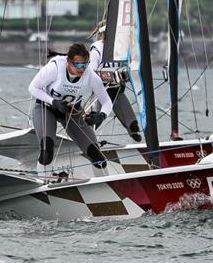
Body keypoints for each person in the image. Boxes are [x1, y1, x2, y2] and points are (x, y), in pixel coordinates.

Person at [28, 43, 114, 176]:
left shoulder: (91, 76)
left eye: (86, 64)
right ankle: (43, 183)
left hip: (72, 111)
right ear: (68, 62)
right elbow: (33, 88)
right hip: (46, 107)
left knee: (96, 155)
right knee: (47, 150)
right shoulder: (55, 68)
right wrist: (53, 102)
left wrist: (101, 115)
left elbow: (107, 101)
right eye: (78, 65)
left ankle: (107, 187)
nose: (82, 69)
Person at [88, 21, 142, 142]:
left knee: (133, 124)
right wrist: (107, 75)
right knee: (94, 119)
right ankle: (85, 138)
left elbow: (130, 67)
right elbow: (92, 70)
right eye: (106, 34)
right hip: (100, 91)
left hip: (117, 90)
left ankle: (134, 131)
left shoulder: (121, 48)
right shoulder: (97, 49)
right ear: (101, 34)